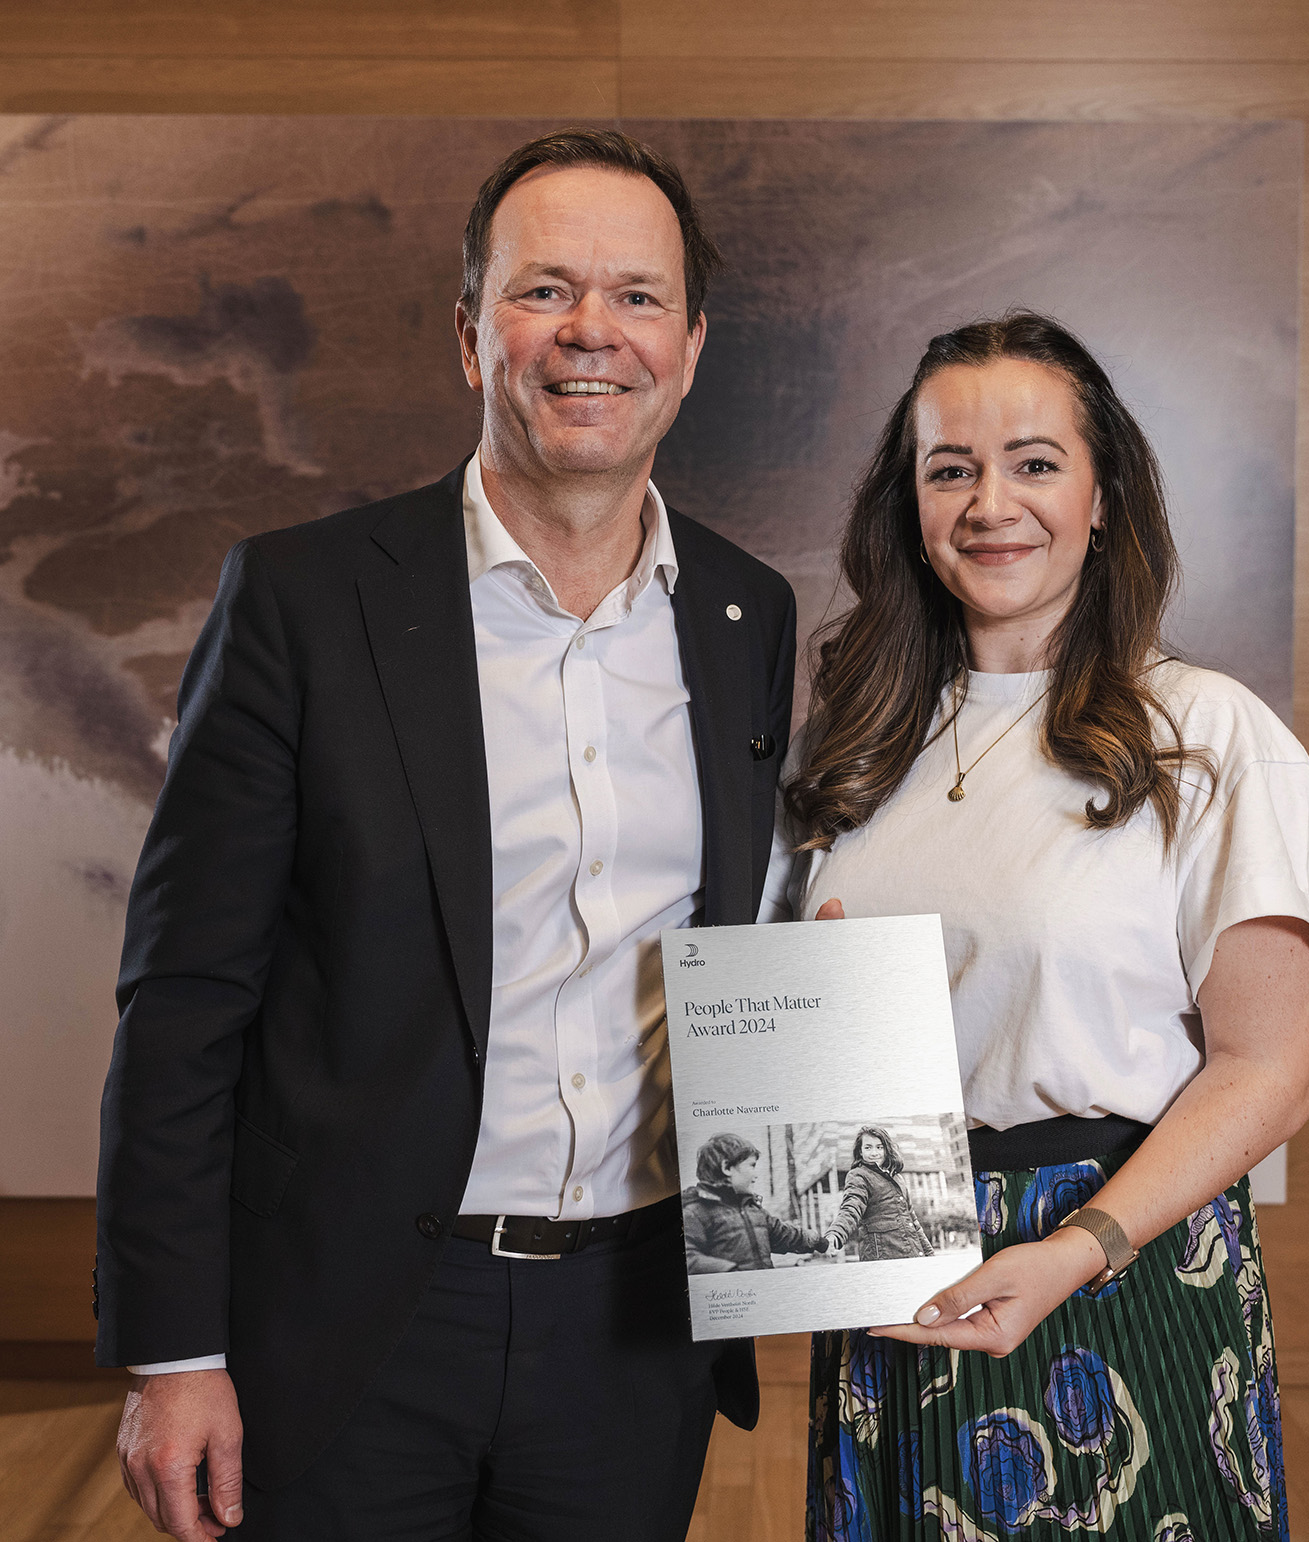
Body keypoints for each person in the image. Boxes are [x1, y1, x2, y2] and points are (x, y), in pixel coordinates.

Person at [96, 127, 797, 1542]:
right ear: (471, 335)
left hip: (635, 1332)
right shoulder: (301, 601)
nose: (592, 331)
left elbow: (746, 943)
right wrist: (174, 1350)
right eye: (544, 290)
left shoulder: (748, 614)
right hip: (354, 1322)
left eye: (638, 296)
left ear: (691, 349)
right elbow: (185, 996)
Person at [765, 312, 1309, 1540]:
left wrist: (1078, 1248)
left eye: (1034, 463)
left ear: (1103, 496)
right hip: (892, 1270)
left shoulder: (1208, 734)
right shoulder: (844, 747)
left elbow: (1271, 1072)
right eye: (950, 470)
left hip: (1121, 1260)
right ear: (909, 505)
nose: (990, 505)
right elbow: (800, 1065)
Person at [682, 1132, 828, 1273]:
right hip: (733, 1289)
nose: (756, 1175)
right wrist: (729, 1272)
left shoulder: (754, 1210)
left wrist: (817, 1241)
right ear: (726, 1168)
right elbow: (688, 1258)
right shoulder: (695, 1212)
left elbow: (785, 1235)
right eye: (752, 1165)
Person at [823, 1127, 933, 1261]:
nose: (874, 1153)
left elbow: (913, 1221)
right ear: (860, 1151)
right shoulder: (858, 1175)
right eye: (868, 1148)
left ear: (886, 1149)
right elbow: (851, 1208)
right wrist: (835, 1234)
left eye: (879, 1147)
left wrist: (929, 1254)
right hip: (881, 1257)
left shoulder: (898, 1178)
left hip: (911, 1254)